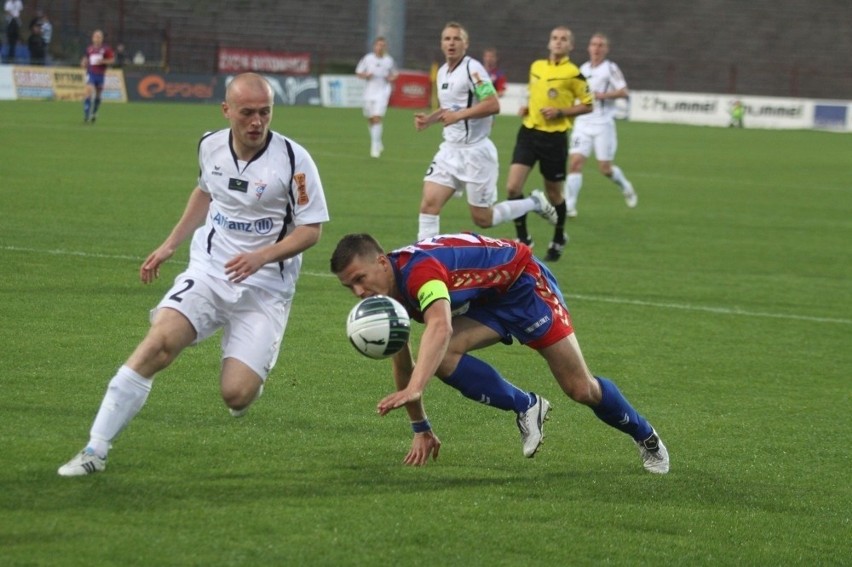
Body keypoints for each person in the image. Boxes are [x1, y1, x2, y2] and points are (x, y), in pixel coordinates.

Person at [57, 73, 331, 477]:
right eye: (247, 113)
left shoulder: (294, 160)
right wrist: (170, 244)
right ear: (226, 111)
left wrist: (261, 257)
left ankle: (252, 371)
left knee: (236, 395)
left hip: (266, 285)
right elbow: (205, 190)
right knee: (158, 345)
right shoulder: (210, 145)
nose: (257, 122)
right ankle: (95, 448)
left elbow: (312, 229)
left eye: (265, 112)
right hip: (210, 268)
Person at [330, 232, 669, 473]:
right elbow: (404, 367)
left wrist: (417, 387)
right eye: (349, 287)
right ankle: (527, 406)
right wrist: (420, 427)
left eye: (360, 278)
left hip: (525, 286)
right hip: (488, 299)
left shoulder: (421, 273)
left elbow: (440, 327)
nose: (359, 291)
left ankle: (646, 436)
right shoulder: (388, 294)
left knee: (581, 389)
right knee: (443, 358)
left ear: (380, 262)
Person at [415, 22, 557, 242]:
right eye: (447, 39)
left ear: (466, 43)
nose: (451, 43)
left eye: (456, 39)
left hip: (476, 153)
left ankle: (534, 203)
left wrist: (460, 116)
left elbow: (493, 104)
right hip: (449, 151)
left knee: (483, 218)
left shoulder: (473, 69)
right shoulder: (443, 71)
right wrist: (430, 120)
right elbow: (450, 107)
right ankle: (425, 256)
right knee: (428, 204)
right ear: (441, 43)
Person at [506, 26, 593, 262]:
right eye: (555, 38)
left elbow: (588, 104)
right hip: (528, 132)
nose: (558, 42)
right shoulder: (536, 67)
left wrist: (561, 111)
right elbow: (534, 93)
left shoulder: (573, 73)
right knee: (513, 187)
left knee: (554, 194)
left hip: (554, 139)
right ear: (549, 43)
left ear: (570, 46)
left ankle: (558, 236)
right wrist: (527, 107)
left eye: (563, 39)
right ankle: (523, 238)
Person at [566, 33, 638, 217]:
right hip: (583, 122)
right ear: (589, 48)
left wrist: (601, 96)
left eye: (600, 45)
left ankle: (625, 186)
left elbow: (624, 91)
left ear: (606, 49)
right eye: (594, 44)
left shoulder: (610, 68)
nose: (596, 48)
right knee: (575, 163)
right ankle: (570, 205)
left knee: (605, 168)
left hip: (603, 124)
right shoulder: (582, 68)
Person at [355, 36, 398, 158]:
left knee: (376, 118)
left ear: (385, 47)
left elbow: (395, 74)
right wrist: (366, 75)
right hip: (369, 92)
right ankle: (378, 142)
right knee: (370, 119)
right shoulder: (367, 59)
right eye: (378, 45)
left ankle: (374, 147)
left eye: (383, 45)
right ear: (374, 46)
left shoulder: (389, 60)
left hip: (382, 92)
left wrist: (390, 78)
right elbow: (358, 72)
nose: (380, 47)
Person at [80, 29, 115, 123]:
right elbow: (85, 59)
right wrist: (83, 63)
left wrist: (103, 61)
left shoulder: (106, 49)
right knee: (89, 92)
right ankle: (86, 115)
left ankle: (94, 112)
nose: (97, 38)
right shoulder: (89, 49)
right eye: (95, 36)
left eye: (99, 37)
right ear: (92, 38)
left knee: (98, 95)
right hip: (91, 73)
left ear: (102, 39)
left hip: (101, 75)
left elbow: (112, 60)